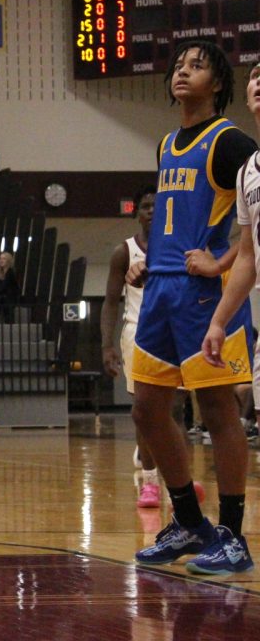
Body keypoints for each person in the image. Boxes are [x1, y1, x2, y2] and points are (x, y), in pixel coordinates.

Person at [129, 42, 259, 575]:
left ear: (219, 84)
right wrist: (146, 259)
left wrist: (220, 259)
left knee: (218, 413)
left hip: (203, 295)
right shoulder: (165, 144)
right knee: (147, 412)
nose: (183, 71)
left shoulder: (232, 143)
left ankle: (231, 533)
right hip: (160, 288)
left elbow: (251, 228)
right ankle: (188, 521)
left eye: (197, 65)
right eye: (179, 65)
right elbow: (171, 218)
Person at [186, 58, 260, 575]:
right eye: (256, 75)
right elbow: (250, 256)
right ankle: (236, 544)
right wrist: (219, 320)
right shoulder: (250, 170)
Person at [101, 187, 162, 509]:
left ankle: (176, 478)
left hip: (174, 333)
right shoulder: (123, 252)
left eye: (157, 205)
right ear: (136, 213)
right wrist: (106, 346)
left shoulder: (180, 247)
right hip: (137, 333)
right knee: (146, 413)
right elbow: (111, 302)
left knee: (175, 410)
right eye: (146, 206)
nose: (152, 210)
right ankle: (151, 482)